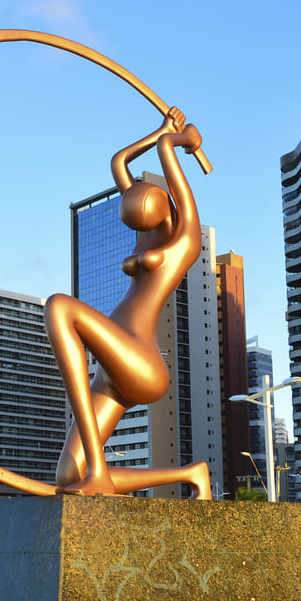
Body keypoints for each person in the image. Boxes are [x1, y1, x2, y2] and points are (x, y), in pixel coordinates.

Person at [45, 108, 210, 500]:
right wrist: (160, 129)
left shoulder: (183, 244)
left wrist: (178, 143)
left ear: (161, 204)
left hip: (140, 360)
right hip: (112, 370)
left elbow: (177, 183)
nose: (137, 229)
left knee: (60, 308)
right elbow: (119, 162)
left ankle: (99, 469)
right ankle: (192, 475)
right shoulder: (145, 237)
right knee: (69, 476)